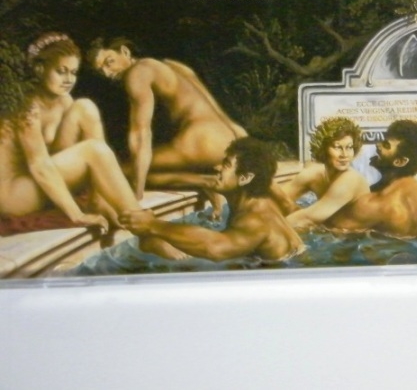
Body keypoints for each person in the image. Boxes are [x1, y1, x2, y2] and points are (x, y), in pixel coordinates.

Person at [0, 33, 145, 234]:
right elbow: (38, 165)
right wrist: (77, 215)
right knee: (93, 150)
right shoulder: (27, 106)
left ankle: (98, 199)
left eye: (73, 72)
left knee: (85, 106)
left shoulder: (64, 100)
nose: (69, 80)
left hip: (40, 181)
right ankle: (144, 226)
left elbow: (58, 156)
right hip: (13, 195)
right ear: (40, 69)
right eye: (61, 72)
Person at [87, 37, 246, 204]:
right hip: (236, 137)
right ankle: (205, 181)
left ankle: (206, 182)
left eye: (109, 62)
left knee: (117, 172)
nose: (107, 73)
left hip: (204, 141)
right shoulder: (172, 65)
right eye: (100, 70)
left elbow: (141, 135)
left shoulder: (137, 73)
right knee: (140, 168)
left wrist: (137, 193)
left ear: (125, 51)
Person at [120, 137, 304, 263]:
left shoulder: (255, 219)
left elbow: (215, 249)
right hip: (281, 265)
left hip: (280, 274)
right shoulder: (254, 198)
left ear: (245, 178)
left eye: (226, 165)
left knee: (155, 245)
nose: (217, 168)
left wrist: (153, 225)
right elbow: (172, 179)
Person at [324, 119, 417, 238]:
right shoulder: (414, 188)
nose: (377, 145)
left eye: (386, 145)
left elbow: (325, 226)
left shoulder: (380, 203)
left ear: (400, 161)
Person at [281, 117, 370, 233]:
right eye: (337, 147)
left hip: (355, 240)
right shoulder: (314, 174)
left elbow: (307, 218)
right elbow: (278, 198)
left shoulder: (351, 179)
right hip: (328, 235)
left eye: (349, 147)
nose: (344, 155)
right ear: (323, 148)